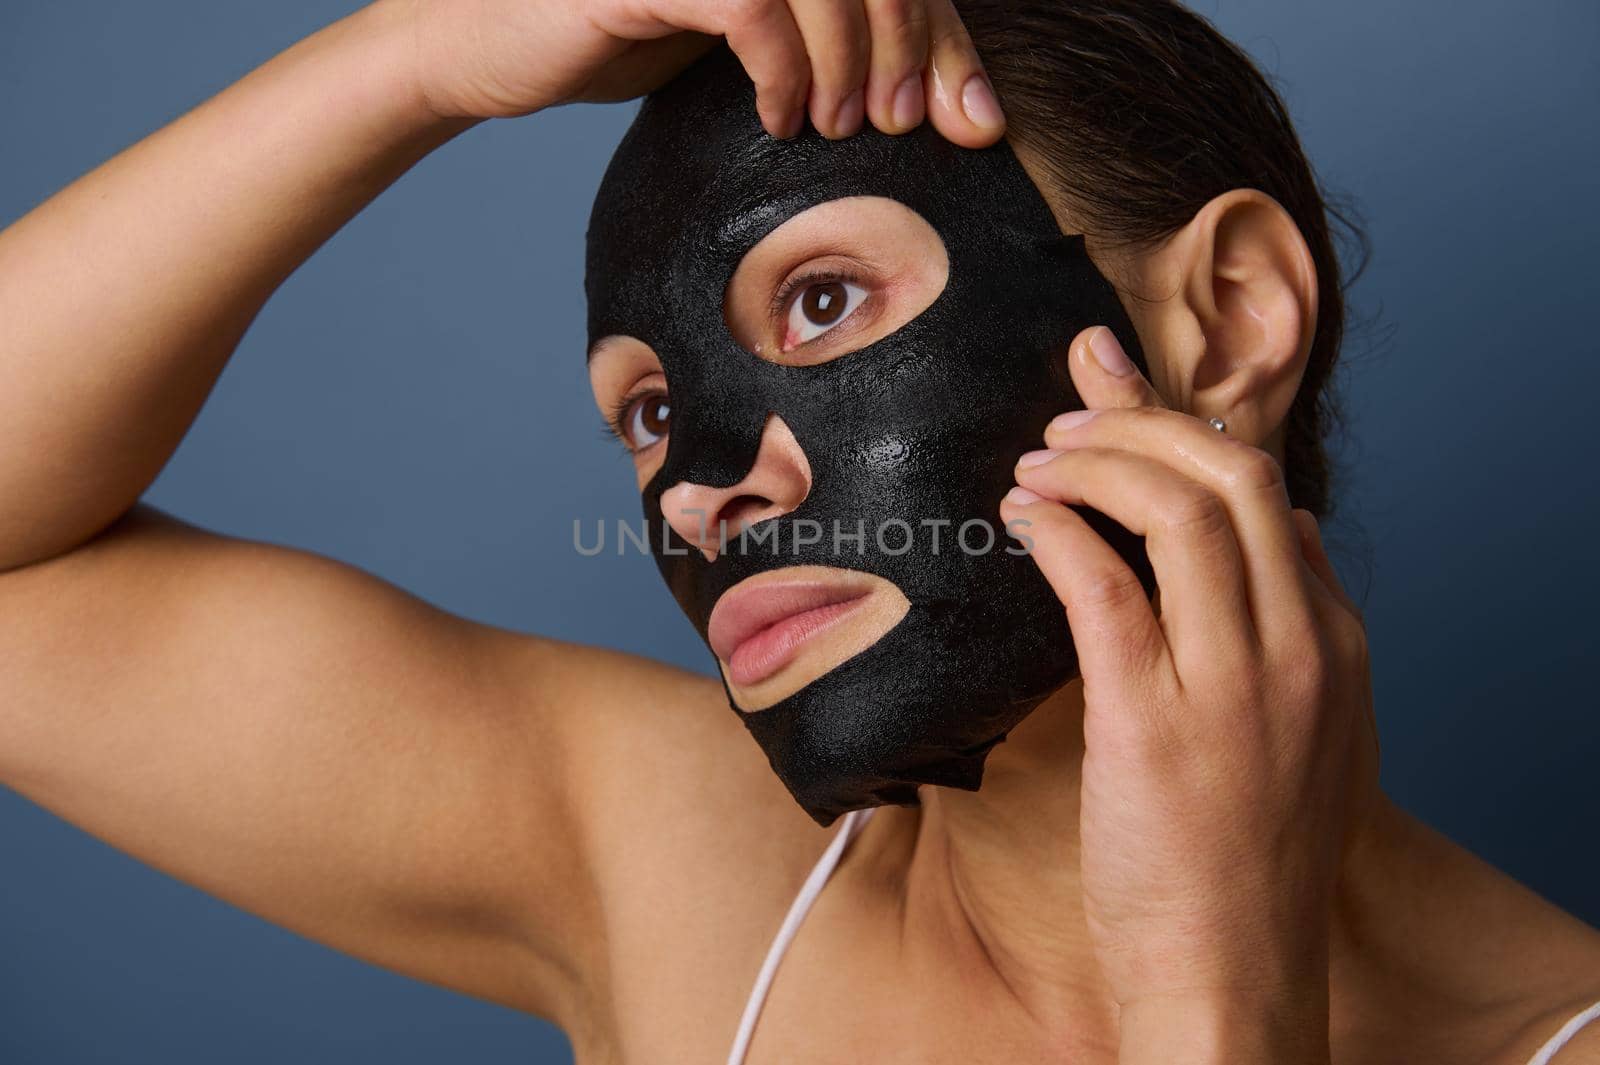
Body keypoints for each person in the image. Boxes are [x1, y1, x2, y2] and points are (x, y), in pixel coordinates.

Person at [1, 1, 1596, 1063]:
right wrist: (419, 54)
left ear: (1229, 316)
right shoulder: (675, 867)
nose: (695, 485)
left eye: (824, 300)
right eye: (642, 410)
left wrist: (1213, 987)